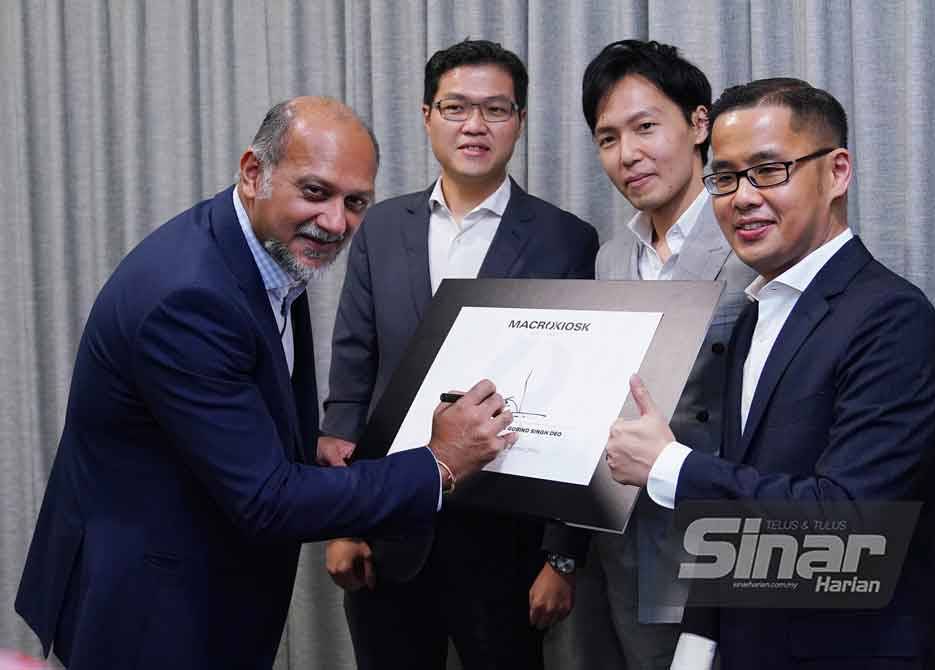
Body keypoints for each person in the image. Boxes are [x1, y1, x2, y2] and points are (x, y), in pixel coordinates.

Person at [15, 96, 515, 670]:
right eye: (315, 192)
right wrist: (439, 462)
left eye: (355, 202)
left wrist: (305, 449)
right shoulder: (189, 297)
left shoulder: (263, 251)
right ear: (254, 173)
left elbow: (231, 413)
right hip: (149, 603)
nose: (336, 223)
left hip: (196, 577)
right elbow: (266, 501)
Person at [605, 78, 935, 670]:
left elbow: (852, 526)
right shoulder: (752, 315)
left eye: (768, 171)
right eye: (724, 178)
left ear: (837, 173)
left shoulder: (893, 317)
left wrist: (669, 466)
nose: (742, 198)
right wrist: (699, 640)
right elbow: (735, 510)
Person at [320, 40, 599, 670]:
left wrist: (562, 557)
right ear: (427, 116)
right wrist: (344, 521)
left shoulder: (565, 239)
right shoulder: (380, 228)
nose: (475, 125)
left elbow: (580, 402)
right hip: (389, 528)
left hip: (509, 540)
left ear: (519, 120)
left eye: (495, 109)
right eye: (456, 107)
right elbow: (352, 376)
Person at [552, 40, 756, 670]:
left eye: (645, 127)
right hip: (623, 548)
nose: (628, 154)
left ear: (698, 124)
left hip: (722, 543)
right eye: (608, 138)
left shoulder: (751, 238)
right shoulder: (610, 257)